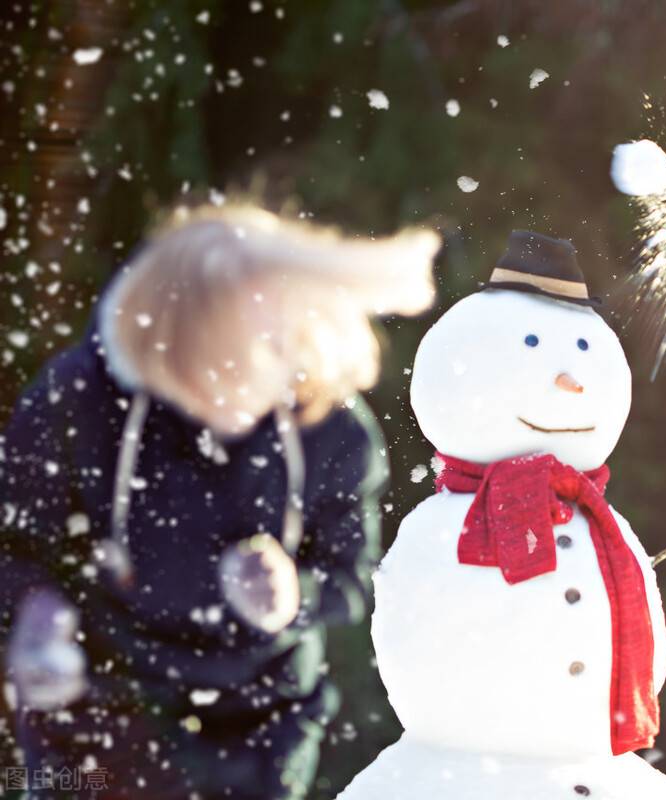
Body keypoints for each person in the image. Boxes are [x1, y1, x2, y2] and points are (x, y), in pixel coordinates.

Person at [0, 205, 439, 798]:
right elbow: (16, 537)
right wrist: (33, 610)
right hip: (97, 716)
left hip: (257, 729)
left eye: (240, 375)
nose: (222, 402)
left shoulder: (336, 433)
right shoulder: (77, 399)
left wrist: (292, 596)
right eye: (198, 379)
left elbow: (352, 581)